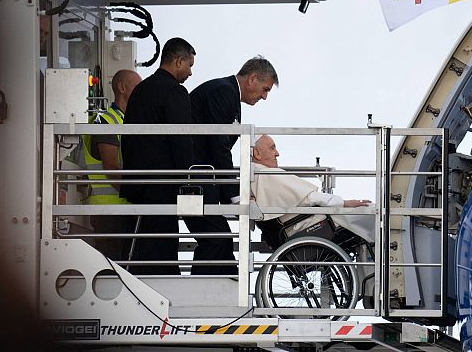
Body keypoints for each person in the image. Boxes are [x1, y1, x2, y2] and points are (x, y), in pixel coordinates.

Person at [184, 56, 279, 274]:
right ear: (252, 78)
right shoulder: (224, 92)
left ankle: (222, 292)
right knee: (217, 240)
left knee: (219, 240)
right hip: (194, 180)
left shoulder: (228, 93)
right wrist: (235, 194)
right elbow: (219, 146)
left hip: (201, 179)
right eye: (265, 90)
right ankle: (205, 294)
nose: (264, 97)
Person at [120, 38, 196, 275]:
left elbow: (128, 135)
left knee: (143, 245)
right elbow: (181, 139)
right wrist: (189, 179)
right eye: (189, 65)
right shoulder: (174, 91)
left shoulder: (141, 90)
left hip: (137, 182)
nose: (190, 73)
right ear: (179, 61)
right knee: (163, 246)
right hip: (162, 183)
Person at [251, 135, 374, 244]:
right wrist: (343, 203)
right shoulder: (268, 174)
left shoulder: (256, 176)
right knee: (371, 211)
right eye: (272, 148)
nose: (277, 153)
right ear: (257, 153)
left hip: (299, 226)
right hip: (307, 226)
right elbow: (310, 197)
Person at [82, 69, 141, 260]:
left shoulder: (126, 122)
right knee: (113, 269)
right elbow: (111, 169)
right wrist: (139, 196)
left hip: (124, 209)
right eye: (137, 87)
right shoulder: (105, 121)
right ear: (121, 87)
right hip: (108, 213)